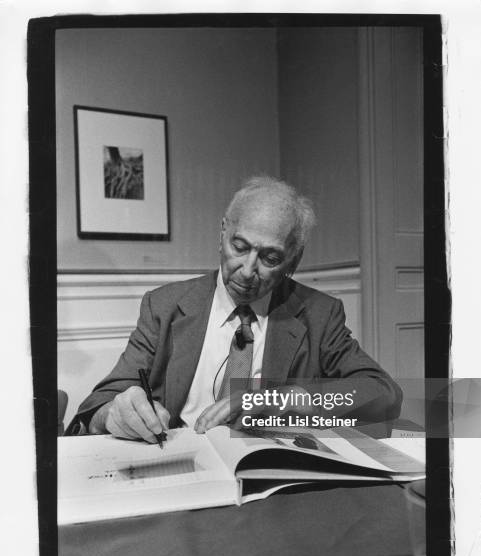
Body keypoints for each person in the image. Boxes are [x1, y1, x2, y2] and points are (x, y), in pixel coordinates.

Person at [66, 176, 402, 441]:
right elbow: (97, 405)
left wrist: (286, 401)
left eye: (269, 258)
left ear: (293, 260)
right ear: (223, 232)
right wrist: (114, 414)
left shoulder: (319, 314)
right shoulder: (164, 306)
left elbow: (383, 394)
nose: (246, 269)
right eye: (239, 247)